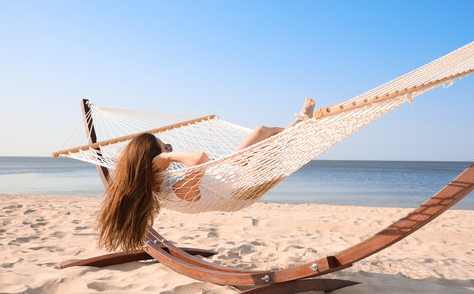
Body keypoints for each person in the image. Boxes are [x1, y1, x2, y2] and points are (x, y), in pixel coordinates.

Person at [96, 97, 315, 252]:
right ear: (155, 159)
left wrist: (161, 159)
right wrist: (167, 159)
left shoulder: (158, 180)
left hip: (227, 171)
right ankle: (304, 124)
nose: (170, 151)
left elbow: (201, 164)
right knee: (272, 149)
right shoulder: (172, 189)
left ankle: (299, 121)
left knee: (259, 131)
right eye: (167, 148)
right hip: (240, 190)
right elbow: (200, 158)